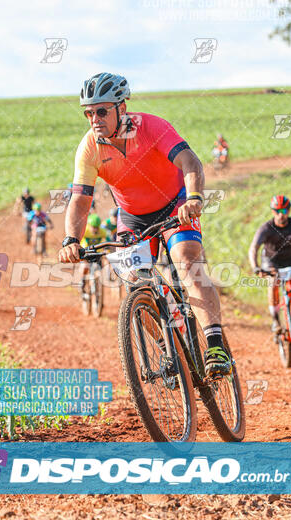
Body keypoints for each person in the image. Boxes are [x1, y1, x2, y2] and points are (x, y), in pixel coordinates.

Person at [58, 71, 232, 378]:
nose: (94, 118)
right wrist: (71, 238)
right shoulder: (89, 148)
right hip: (133, 217)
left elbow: (191, 163)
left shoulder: (151, 127)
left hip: (175, 204)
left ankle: (215, 343)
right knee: (135, 283)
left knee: (187, 261)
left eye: (102, 110)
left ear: (121, 108)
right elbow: (80, 199)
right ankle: (168, 350)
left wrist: (194, 197)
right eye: (88, 112)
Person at [249, 195, 291, 335]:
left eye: (284, 211)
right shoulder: (266, 228)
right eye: (277, 211)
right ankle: (275, 320)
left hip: (290, 259)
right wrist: (256, 267)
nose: (281, 215)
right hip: (270, 261)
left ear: (289, 211)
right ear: (273, 211)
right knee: (273, 283)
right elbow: (253, 248)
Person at [79, 213, 108, 295]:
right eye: (93, 227)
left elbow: (108, 240)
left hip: (97, 253)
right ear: (89, 225)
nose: (95, 229)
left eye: (97, 227)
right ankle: (82, 283)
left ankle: (97, 284)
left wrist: (108, 250)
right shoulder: (85, 231)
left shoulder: (103, 231)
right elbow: (79, 242)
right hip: (85, 252)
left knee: (100, 267)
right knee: (84, 267)